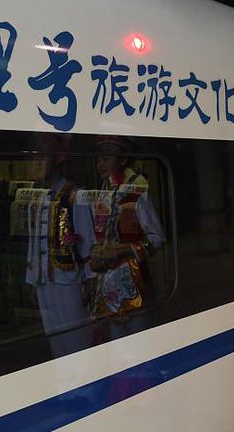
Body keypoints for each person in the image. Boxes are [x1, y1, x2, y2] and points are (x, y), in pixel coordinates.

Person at [79, 136, 165, 318]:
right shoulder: (103, 193)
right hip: (106, 283)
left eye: (106, 158)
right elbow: (99, 237)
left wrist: (121, 252)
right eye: (98, 159)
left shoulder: (136, 191)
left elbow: (156, 238)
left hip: (133, 279)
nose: (100, 164)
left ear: (123, 160)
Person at [25, 154, 96, 354]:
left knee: (77, 340)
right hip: (43, 281)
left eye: (43, 157)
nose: (37, 163)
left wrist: (91, 278)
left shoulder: (76, 194)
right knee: (55, 342)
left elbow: (88, 239)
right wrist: (32, 278)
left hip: (69, 279)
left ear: (57, 161)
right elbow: (33, 237)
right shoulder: (37, 195)